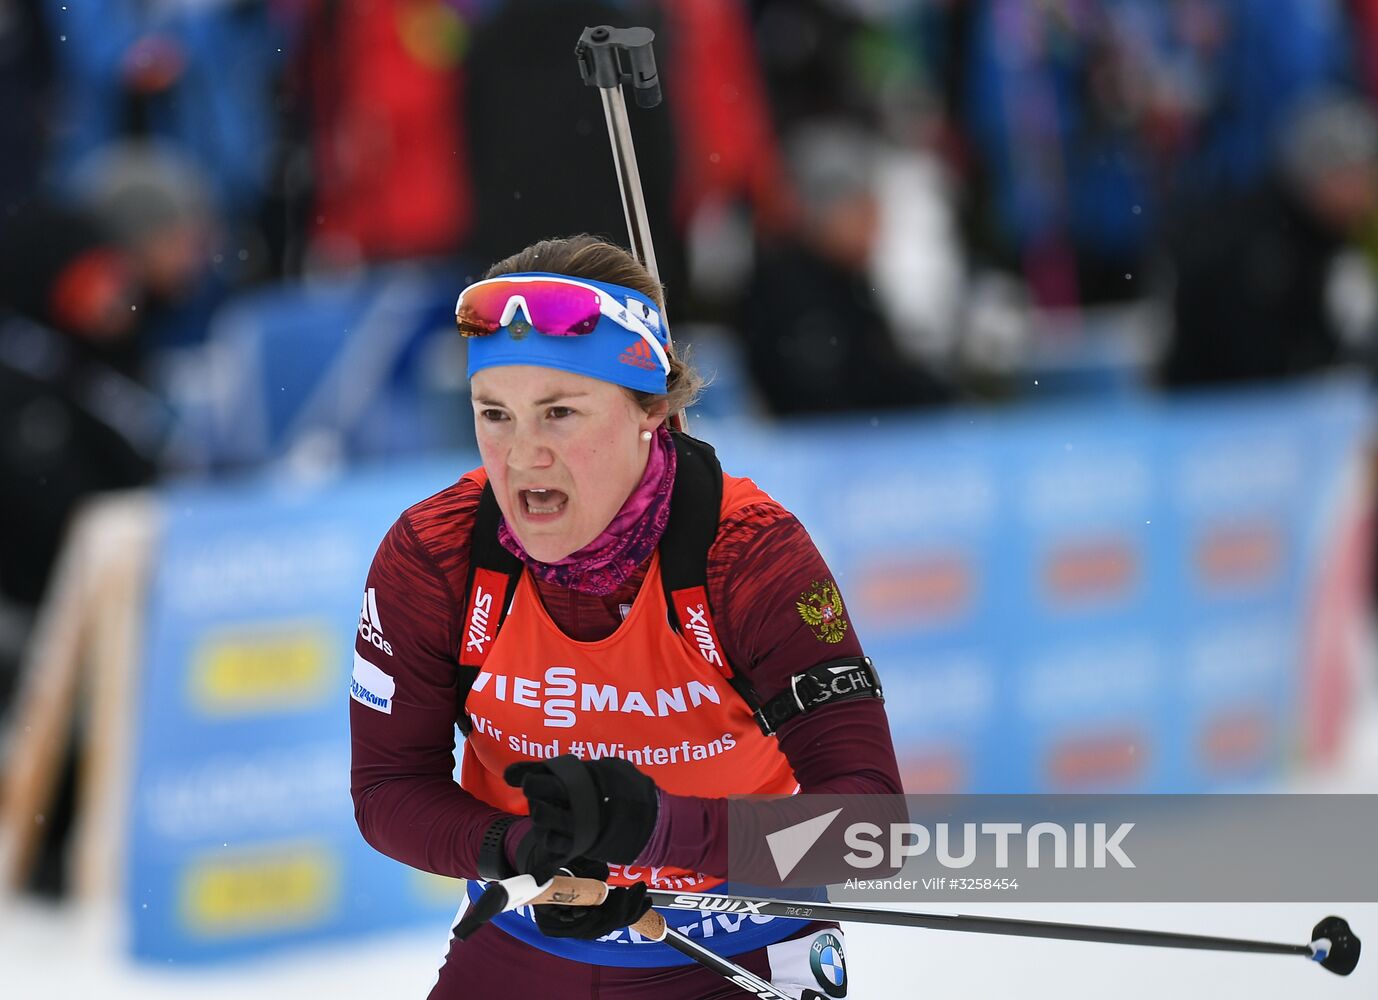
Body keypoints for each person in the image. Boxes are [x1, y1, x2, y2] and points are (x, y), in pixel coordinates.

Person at [350, 234, 902, 998]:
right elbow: (386, 790)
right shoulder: (436, 555)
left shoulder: (744, 555)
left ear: (650, 408)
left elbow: (869, 831)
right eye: (495, 414)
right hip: (529, 948)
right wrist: (525, 850)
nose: (521, 455)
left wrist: (654, 828)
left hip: (735, 951)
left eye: (560, 412)